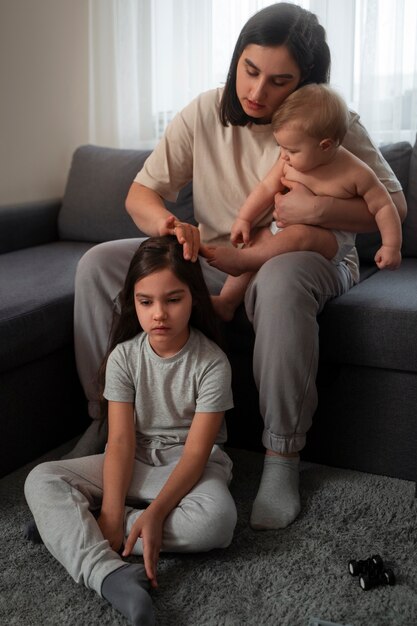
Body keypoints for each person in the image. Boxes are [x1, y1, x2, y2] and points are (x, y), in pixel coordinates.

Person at [71, 2, 406, 531]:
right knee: (99, 264)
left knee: (279, 279)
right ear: (236, 61)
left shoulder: (329, 123)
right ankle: (102, 419)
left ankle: (281, 457)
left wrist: (315, 209)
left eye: (279, 81)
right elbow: (142, 192)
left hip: (308, 255)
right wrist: (168, 227)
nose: (256, 91)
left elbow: (394, 206)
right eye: (249, 71)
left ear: (306, 83)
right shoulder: (205, 112)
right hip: (216, 258)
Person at [24, 236, 237, 626]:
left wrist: (154, 515)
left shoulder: (212, 364)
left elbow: (194, 455)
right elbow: (120, 442)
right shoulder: (124, 357)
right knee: (41, 478)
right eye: (146, 302)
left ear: (194, 298)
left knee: (217, 522)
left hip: (189, 467)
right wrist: (109, 510)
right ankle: (108, 573)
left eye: (173, 300)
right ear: (132, 302)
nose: (159, 314)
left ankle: (72, 527)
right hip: (133, 459)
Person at [200, 83, 402, 321]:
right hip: (282, 230)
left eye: (292, 150)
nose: (284, 155)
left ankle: (242, 261)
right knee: (258, 239)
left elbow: (384, 206)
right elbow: (266, 188)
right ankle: (227, 302)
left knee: (301, 235)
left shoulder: (356, 172)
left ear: (325, 145)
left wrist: (391, 246)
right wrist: (245, 218)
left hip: (331, 241)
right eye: (280, 147)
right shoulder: (288, 161)